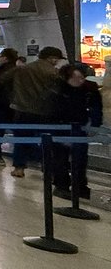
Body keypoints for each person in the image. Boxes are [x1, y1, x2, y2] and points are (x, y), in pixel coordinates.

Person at [9, 46, 65, 178]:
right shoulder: (53, 72)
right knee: (46, 139)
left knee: (21, 139)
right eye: (56, 59)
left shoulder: (24, 69)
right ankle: (47, 166)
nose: (57, 62)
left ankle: (19, 168)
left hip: (22, 109)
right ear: (51, 58)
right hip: (44, 110)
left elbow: (5, 80)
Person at [52, 63, 101, 200]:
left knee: (80, 158)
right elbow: (51, 110)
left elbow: (96, 108)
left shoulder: (89, 89)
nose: (80, 80)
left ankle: (80, 185)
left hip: (79, 127)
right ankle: (61, 185)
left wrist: (94, 125)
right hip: (60, 127)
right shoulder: (58, 89)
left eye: (82, 77)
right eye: (76, 77)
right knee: (60, 158)